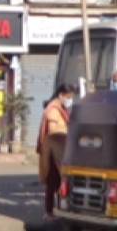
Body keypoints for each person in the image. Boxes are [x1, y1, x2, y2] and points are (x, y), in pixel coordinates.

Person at [37, 83, 76, 217]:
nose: (70, 100)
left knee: (58, 182)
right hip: (53, 150)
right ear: (61, 95)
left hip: (58, 149)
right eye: (68, 97)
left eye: (71, 97)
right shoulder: (53, 109)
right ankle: (49, 212)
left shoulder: (60, 108)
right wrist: (66, 132)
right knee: (53, 181)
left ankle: (56, 210)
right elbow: (53, 130)